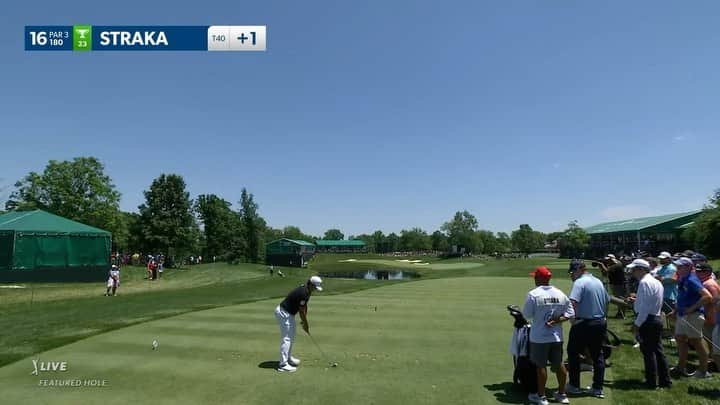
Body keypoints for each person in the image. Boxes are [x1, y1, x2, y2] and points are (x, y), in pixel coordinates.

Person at [522, 266, 574, 405]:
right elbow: (570, 314)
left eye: (535, 277)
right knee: (559, 364)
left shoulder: (534, 294)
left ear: (538, 278)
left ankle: (541, 396)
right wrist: (557, 320)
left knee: (540, 366)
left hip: (539, 337)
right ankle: (562, 394)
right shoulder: (560, 293)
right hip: (556, 336)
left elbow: (527, 314)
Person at [566, 259, 609, 399]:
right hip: (600, 322)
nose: (571, 276)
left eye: (572, 272)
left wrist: (573, 320)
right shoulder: (597, 281)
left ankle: (574, 385)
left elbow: (572, 302)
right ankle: (598, 388)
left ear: (579, 270)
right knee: (598, 355)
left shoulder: (579, 282)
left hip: (584, 323)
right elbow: (607, 301)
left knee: (573, 353)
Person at [626, 259, 672, 389]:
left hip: (648, 320)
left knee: (648, 352)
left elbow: (645, 307)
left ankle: (651, 381)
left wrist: (637, 323)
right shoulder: (656, 282)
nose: (632, 272)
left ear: (640, 269)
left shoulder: (645, 283)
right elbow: (651, 301)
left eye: (634, 269)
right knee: (658, 351)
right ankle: (665, 380)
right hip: (655, 318)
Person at [669, 257, 713, 379]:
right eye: (677, 267)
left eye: (680, 267)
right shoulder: (684, 278)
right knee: (680, 339)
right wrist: (675, 310)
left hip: (692, 316)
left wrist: (691, 308)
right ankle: (680, 367)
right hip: (683, 315)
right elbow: (681, 297)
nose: (677, 269)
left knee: (696, 342)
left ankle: (704, 371)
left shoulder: (692, 280)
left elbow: (707, 297)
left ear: (688, 267)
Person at [274, 276, 324, 372]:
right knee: (287, 338)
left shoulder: (307, 290)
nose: (315, 290)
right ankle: (283, 364)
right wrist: (305, 323)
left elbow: (304, 307)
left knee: (291, 336)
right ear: (310, 284)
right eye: (315, 287)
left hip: (289, 313)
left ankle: (288, 358)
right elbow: (301, 311)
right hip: (283, 313)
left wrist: (304, 321)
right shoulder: (303, 293)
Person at [696, 263, 720, 363]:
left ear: (708, 272)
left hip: (711, 316)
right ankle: (712, 360)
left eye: (701, 271)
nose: (698, 273)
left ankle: (714, 361)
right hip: (710, 315)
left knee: (711, 341)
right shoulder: (706, 282)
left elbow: (715, 300)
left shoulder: (709, 284)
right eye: (697, 271)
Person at [655, 252, 678, 339]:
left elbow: (669, 280)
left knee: (671, 315)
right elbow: (658, 278)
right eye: (660, 258)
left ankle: (674, 334)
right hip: (662, 294)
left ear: (668, 259)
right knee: (662, 315)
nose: (661, 260)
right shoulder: (662, 268)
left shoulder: (671, 268)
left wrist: (659, 279)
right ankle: (666, 332)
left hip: (669, 295)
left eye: (663, 258)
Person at [597, 255, 627, 319]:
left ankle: (621, 314)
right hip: (616, 284)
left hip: (618, 284)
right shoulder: (613, 265)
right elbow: (605, 274)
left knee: (620, 299)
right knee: (619, 298)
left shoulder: (616, 265)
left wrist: (602, 265)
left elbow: (606, 271)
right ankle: (620, 314)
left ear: (612, 259)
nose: (607, 261)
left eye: (608, 260)